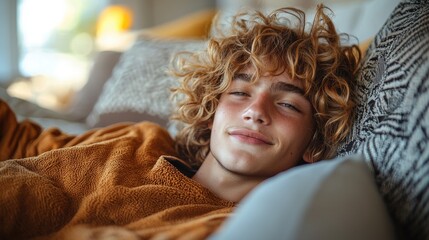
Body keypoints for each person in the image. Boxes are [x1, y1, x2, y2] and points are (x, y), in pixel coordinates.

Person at [0, 4, 360, 240]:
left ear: (314, 143)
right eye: (239, 93)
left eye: (287, 104)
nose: (256, 111)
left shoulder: (227, 228)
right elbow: (19, 139)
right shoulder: (137, 139)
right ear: (209, 114)